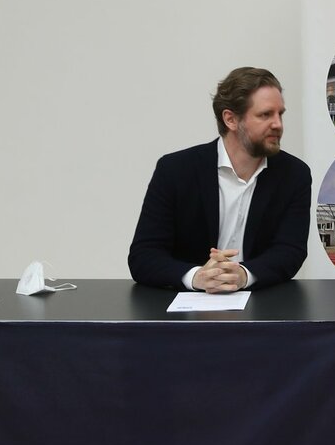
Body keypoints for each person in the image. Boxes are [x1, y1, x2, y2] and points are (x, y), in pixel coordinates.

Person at [129, 67, 310, 292]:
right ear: (230, 119)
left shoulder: (294, 174)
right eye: (265, 115)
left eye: (280, 114)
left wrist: (243, 275)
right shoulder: (175, 170)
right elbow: (143, 256)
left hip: (262, 302)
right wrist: (198, 277)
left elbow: (290, 251)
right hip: (185, 306)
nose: (278, 124)